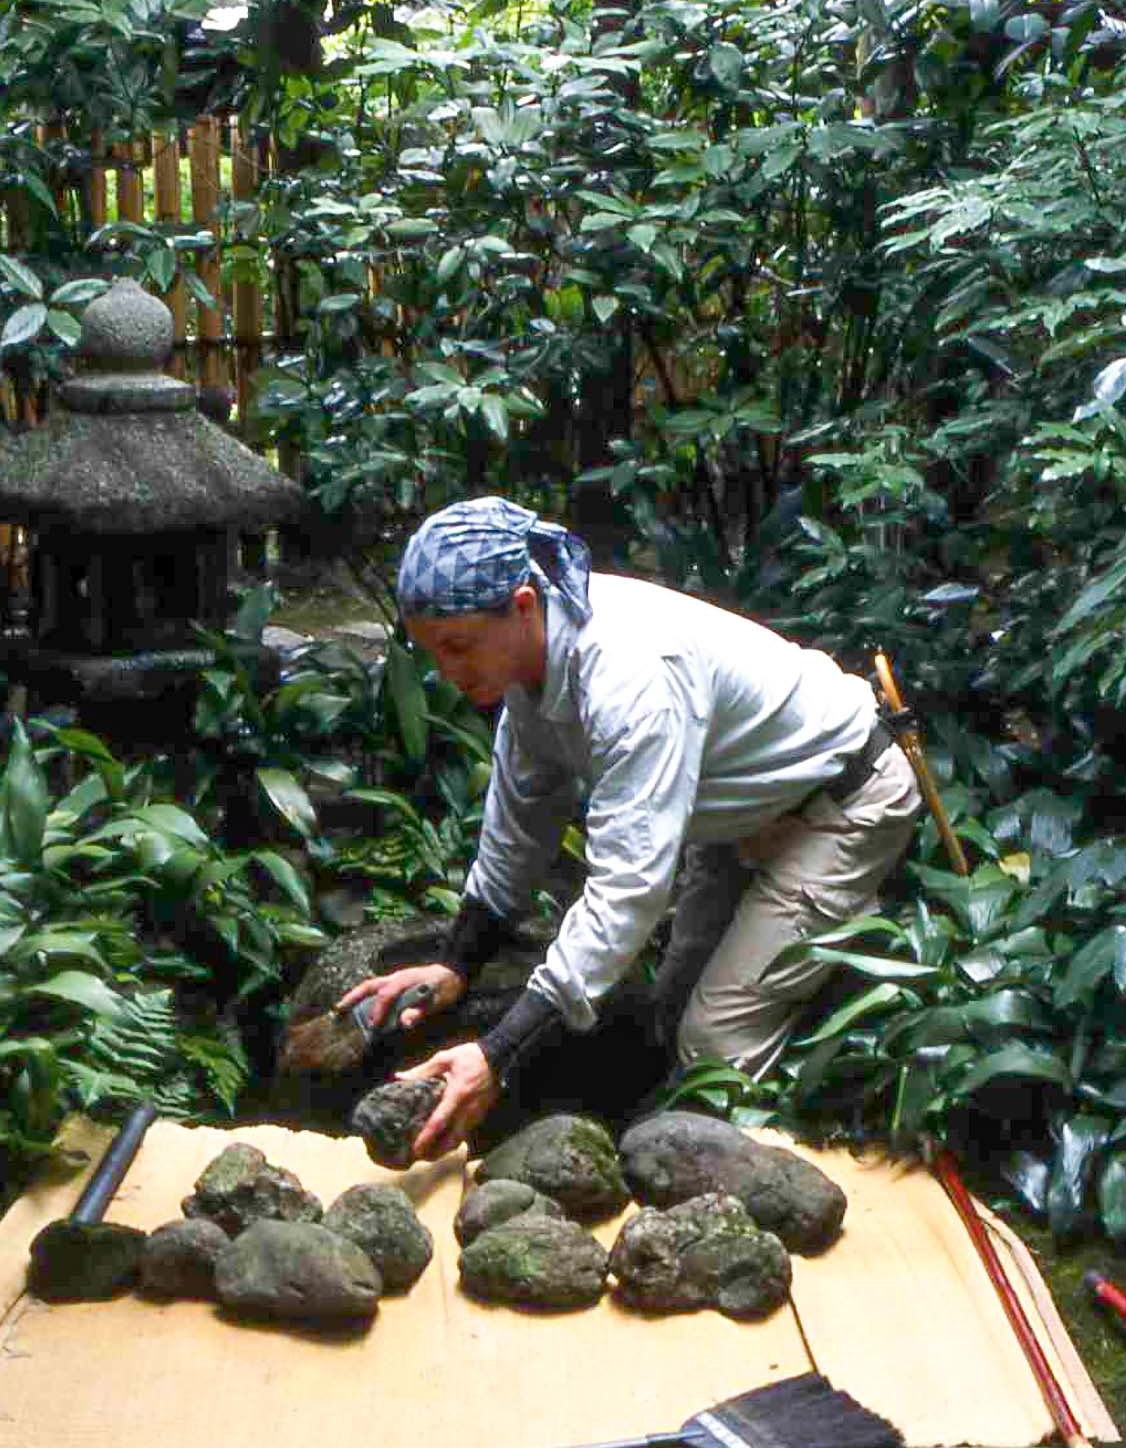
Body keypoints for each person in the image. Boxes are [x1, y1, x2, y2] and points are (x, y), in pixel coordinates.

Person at [336, 497, 923, 1163]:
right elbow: (516, 832)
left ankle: (751, 1184)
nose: (448, 670)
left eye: (459, 646)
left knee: (714, 1046)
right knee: (662, 1019)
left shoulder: (630, 672)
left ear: (523, 605)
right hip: (737, 813)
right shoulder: (527, 673)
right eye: (432, 651)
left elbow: (627, 892)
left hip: (842, 803)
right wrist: (454, 964)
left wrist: (496, 1056)